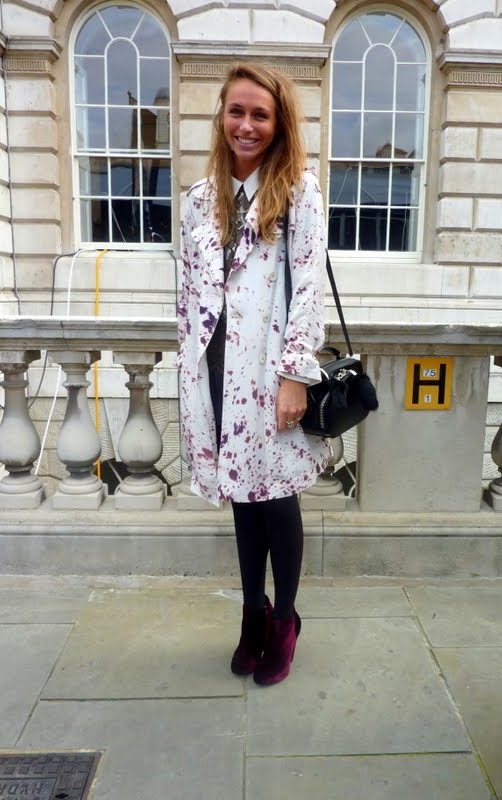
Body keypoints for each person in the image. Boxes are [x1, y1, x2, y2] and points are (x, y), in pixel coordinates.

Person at [177, 63, 330, 686]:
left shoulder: (298, 193)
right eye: (236, 111)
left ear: (278, 123)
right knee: (242, 500)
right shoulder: (197, 200)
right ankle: (252, 615)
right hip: (216, 372)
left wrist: (296, 375)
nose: (246, 125)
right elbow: (188, 296)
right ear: (221, 116)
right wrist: (189, 375)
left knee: (277, 497)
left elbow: (308, 290)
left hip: (270, 373)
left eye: (260, 115)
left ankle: (285, 621)